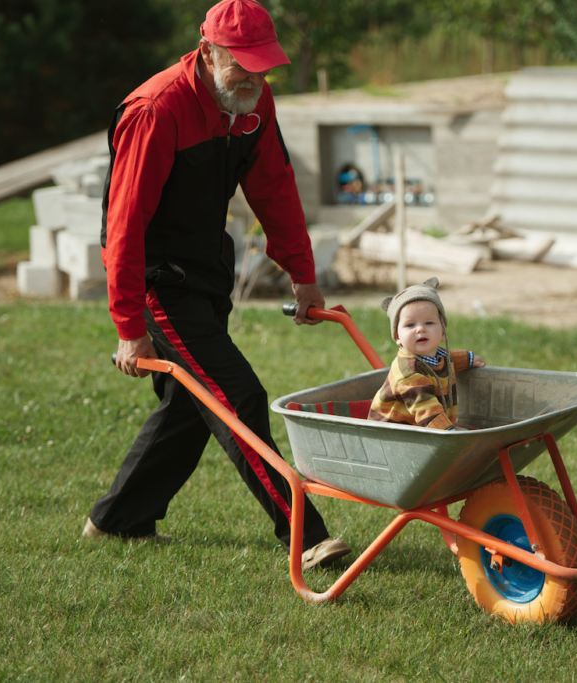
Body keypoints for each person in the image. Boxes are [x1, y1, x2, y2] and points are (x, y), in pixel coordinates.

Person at [82, 0, 351, 571]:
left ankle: (117, 520)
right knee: (236, 396)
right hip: (157, 277)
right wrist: (131, 328)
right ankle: (304, 534)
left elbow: (274, 187)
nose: (254, 80)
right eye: (241, 68)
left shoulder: (252, 101)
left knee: (191, 404)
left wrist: (303, 273)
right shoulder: (157, 110)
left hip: (207, 268)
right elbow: (123, 228)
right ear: (207, 53)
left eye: (263, 68)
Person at [368, 278, 485, 429]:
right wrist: (447, 432)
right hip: (390, 432)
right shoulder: (408, 372)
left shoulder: (436, 356)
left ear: (443, 332)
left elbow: (448, 360)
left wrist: (467, 359)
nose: (420, 329)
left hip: (419, 428)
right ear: (397, 337)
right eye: (410, 325)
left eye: (429, 323)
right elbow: (425, 407)